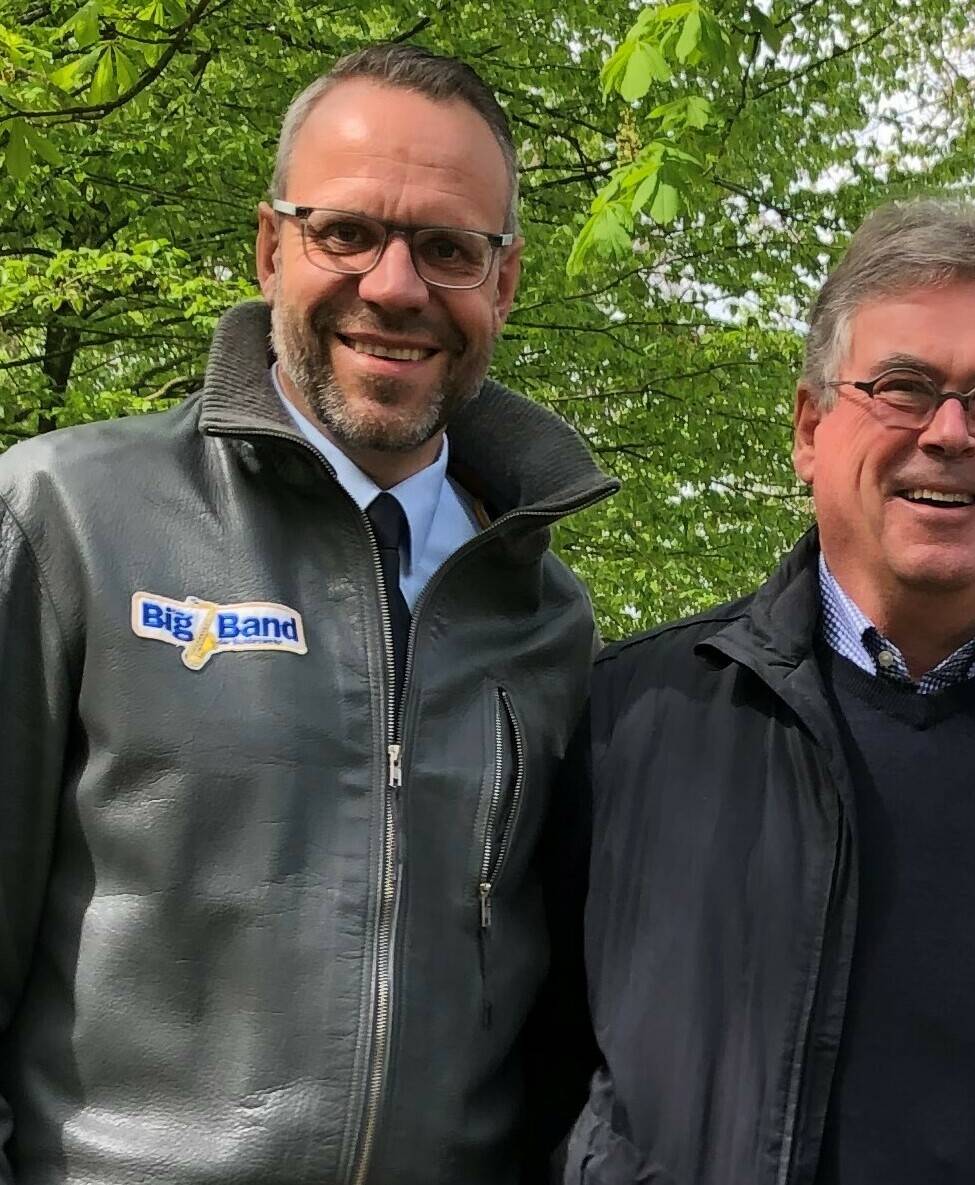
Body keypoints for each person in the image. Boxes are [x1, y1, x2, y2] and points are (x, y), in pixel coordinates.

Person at [0, 44, 616, 1183]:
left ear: (506, 283)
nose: (394, 286)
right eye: (346, 232)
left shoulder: (551, 623)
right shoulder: (65, 520)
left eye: (447, 249)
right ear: (271, 246)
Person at [551, 200, 975, 1184]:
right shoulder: (628, 724)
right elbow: (531, 1091)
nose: (949, 433)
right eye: (903, 387)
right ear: (810, 427)